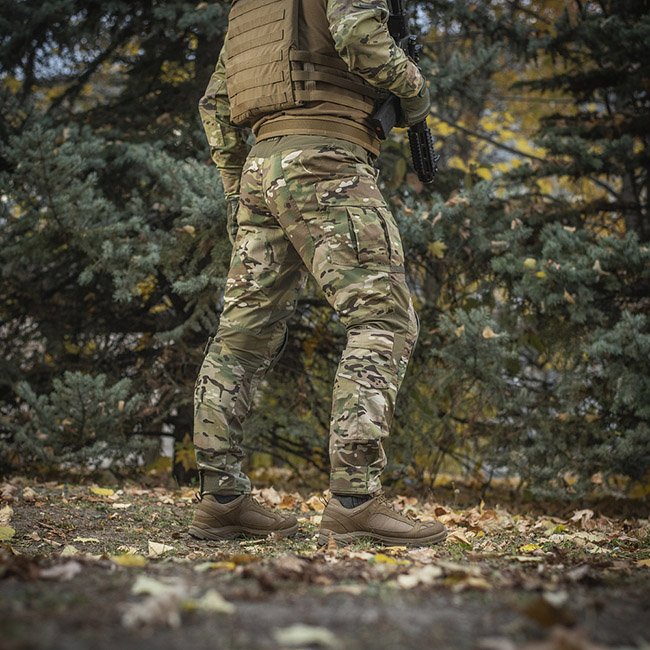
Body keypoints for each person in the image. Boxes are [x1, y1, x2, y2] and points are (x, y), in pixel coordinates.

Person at [189, 0, 447, 546]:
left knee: (241, 338)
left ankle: (221, 500)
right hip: (326, 160)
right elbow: (357, 33)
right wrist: (415, 87)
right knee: (383, 320)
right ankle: (355, 500)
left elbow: (215, 102)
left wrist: (238, 189)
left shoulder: (249, 5)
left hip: (261, 168)